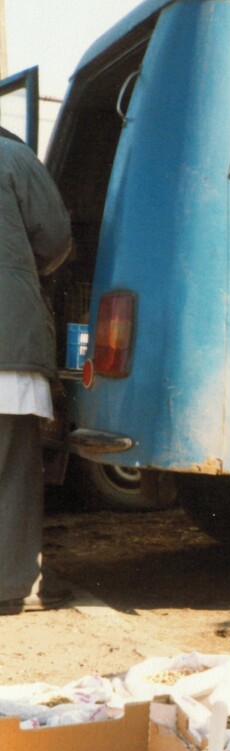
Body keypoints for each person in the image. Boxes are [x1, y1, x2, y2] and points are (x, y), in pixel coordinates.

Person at [0, 129, 72, 616]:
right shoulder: (11, 157)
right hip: (6, 344)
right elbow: (55, 239)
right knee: (10, 471)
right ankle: (9, 586)